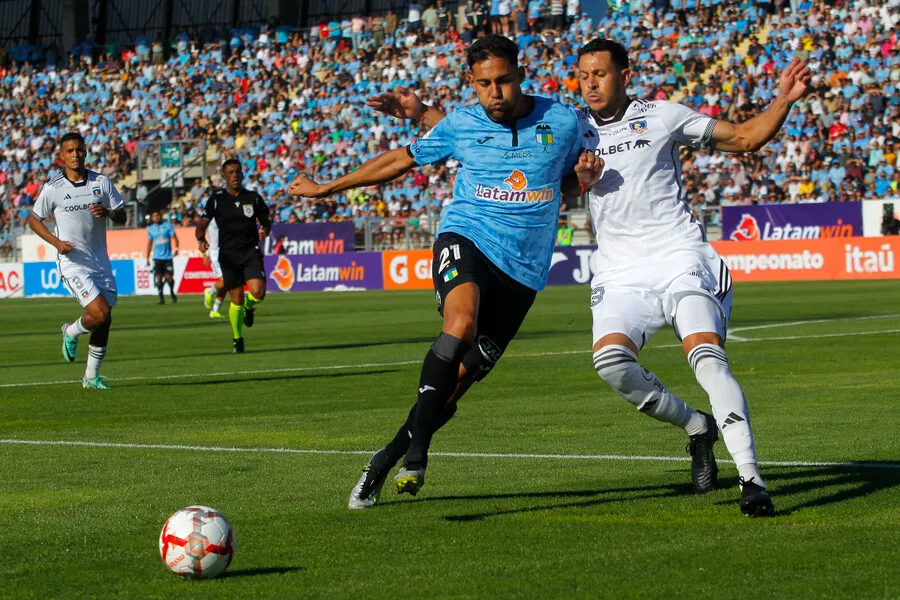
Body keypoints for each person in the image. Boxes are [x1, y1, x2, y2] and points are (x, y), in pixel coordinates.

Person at [288, 34, 601, 508]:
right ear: (470, 84)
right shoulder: (462, 122)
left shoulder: (562, 121)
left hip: (524, 270)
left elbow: (571, 173)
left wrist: (583, 177)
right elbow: (399, 159)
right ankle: (418, 453)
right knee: (460, 322)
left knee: (455, 386)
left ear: (520, 74)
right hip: (467, 236)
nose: (495, 93)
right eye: (484, 85)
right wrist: (325, 188)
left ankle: (386, 457)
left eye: (503, 81)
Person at [574, 38, 811, 516]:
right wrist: (579, 182)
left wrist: (783, 98)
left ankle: (751, 479)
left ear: (625, 75)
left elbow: (745, 139)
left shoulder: (663, 115)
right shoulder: (570, 129)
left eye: (600, 73)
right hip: (620, 271)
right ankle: (697, 427)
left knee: (707, 360)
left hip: (679, 255)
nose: (591, 83)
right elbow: (543, 182)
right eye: (583, 75)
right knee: (611, 364)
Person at [27, 132, 127, 389]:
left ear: (85, 152)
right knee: (100, 312)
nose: (75, 155)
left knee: (106, 319)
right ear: (62, 156)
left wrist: (106, 212)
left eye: (79, 150)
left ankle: (91, 377)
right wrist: (56, 242)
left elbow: (122, 215)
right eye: (69, 151)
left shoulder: (101, 182)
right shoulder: (53, 188)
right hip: (72, 262)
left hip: (100, 261)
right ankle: (71, 332)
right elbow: (34, 219)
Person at [195, 160, 270, 354]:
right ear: (224, 176)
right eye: (230, 172)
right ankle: (238, 339)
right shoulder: (216, 199)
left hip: (250, 250)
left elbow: (265, 222)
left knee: (258, 292)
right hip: (228, 255)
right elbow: (202, 223)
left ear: (242, 175)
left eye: (238, 172)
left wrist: (264, 231)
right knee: (235, 298)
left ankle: (250, 305)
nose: (235, 175)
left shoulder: (253, 198)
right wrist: (200, 240)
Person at [201, 198, 227, 319]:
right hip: (216, 252)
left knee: (227, 284)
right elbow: (200, 233)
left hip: (227, 251)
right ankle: (210, 291)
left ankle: (215, 311)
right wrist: (205, 252)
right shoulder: (211, 218)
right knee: (227, 280)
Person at [146, 210, 179, 305]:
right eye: (154, 216)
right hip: (157, 257)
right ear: (152, 218)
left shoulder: (167, 226)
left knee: (169, 277)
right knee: (159, 278)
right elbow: (149, 244)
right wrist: (147, 258)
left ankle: (172, 292)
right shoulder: (151, 229)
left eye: (157, 215)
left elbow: (175, 239)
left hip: (168, 256)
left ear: (160, 216)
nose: (156, 217)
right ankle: (161, 298)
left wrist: (176, 249)